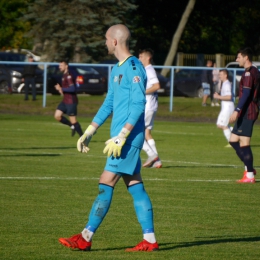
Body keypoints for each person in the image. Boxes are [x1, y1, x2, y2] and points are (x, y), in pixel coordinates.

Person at [58, 24, 159, 252]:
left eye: (106, 39)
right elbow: (109, 104)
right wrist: (89, 131)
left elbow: (138, 104)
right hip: (121, 139)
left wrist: (122, 136)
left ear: (115, 41)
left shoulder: (134, 67)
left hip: (127, 139)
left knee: (106, 182)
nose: (104, 42)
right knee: (135, 187)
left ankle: (85, 237)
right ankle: (150, 240)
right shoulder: (117, 69)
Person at [229, 47, 259, 183]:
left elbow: (247, 94)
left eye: (238, 57)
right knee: (233, 140)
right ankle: (250, 169)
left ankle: (250, 175)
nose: (237, 59)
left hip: (248, 111)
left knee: (244, 144)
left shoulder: (248, 73)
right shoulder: (254, 72)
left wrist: (237, 109)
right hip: (247, 110)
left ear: (246, 57)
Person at [138, 48, 162, 168]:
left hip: (147, 106)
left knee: (136, 132)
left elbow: (157, 85)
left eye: (141, 56)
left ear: (148, 57)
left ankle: (151, 154)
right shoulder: (146, 70)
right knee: (147, 133)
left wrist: (142, 92)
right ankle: (157, 161)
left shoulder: (149, 70)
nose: (139, 59)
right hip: (151, 106)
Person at [54, 60, 83, 137]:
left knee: (73, 120)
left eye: (61, 65)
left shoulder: (69, 76)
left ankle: (82, 137)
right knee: (57, 116)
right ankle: (72, 126)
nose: (59, 67)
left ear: (66, 66)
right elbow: (65, 90)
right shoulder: (64, 75)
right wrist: (60, 90)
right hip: (65, 101)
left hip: (71, 101)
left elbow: (72, 89)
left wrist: (61, 88)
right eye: (59, 65)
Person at [213, 69, 234, 147]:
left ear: (225, 75)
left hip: (228, 107)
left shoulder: (227, 84)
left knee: (224, 125)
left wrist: (218, 96)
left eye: (221, 74)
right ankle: (236, 133)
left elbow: (229, 97)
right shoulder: (224, 83)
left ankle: (232, 143)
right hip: (224, 108)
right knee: (219, 124)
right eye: (219, 74)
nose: (219, 76)